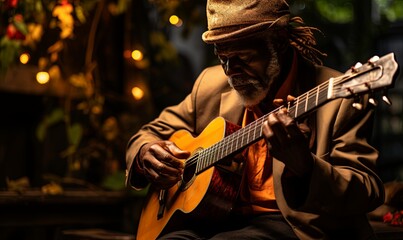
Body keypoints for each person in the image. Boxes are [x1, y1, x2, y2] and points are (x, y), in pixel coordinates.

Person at [125, 0, 385, 239]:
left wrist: (305, 167)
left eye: (243, 58)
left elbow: (367, 191)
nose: (230, 72)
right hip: (212, 220)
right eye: (222, 57)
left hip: (292, 225)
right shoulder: (210, 84)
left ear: (280, 41)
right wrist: (146, 152)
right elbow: (149, 133)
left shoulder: (339, 99)